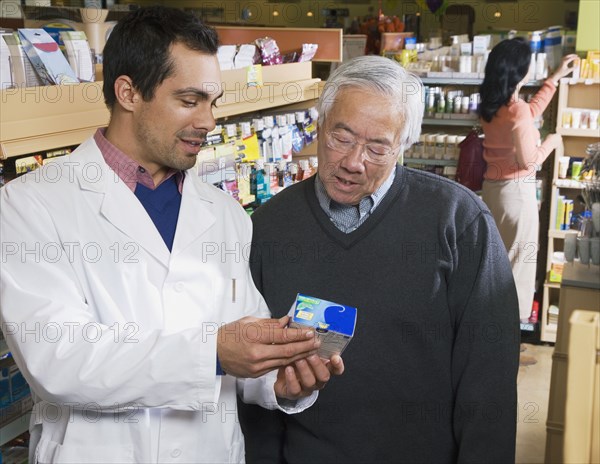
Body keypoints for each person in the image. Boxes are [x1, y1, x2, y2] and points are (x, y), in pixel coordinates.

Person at [0, 7, 343, 463]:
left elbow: (241, 338)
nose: (209, 121)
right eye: (189, 100)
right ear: (128, 92)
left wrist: (277, 378)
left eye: (213, 101)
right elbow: (59, 361)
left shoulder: (225, 215)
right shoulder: (31, 204)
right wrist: (213, 353)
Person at [238, 55, 520, 463]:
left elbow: (488, 379)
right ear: (318, 125)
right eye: (342, 137)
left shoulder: (458, 221)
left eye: (377, 147)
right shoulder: (266, 229)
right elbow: (254, 388)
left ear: (404, 145)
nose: (354, 162)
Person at [479, 39, 577, 342]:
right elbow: (529, 161)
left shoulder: (493, 105)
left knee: (497, 262)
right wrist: (553, 141)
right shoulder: (517, 111)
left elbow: (529, 111)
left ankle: (488, 330)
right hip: (516, 193)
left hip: (492, 191)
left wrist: (554, 79)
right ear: (520, 72)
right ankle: (508, 339)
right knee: (519, 267)